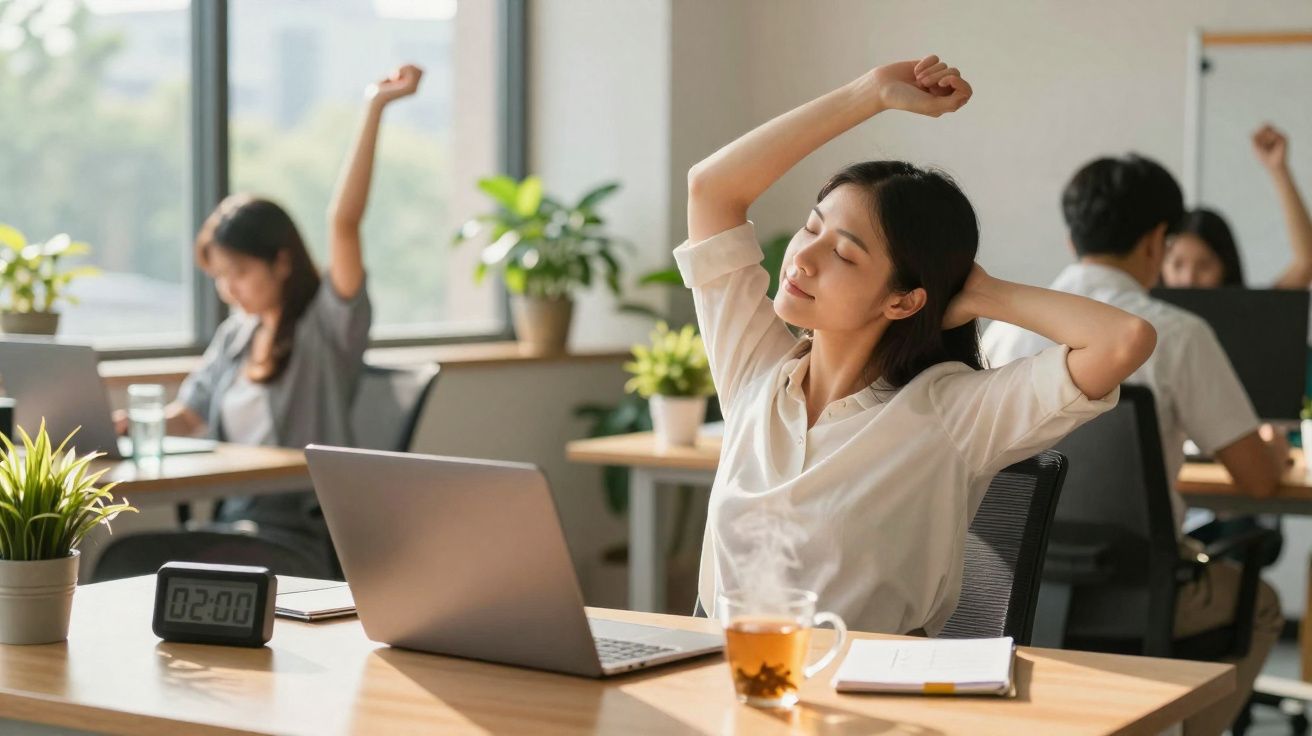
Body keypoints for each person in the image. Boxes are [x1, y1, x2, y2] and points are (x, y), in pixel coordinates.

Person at [681, 54, 1155, 640]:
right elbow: (711, 190)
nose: (802, 257)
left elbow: (1123, 339)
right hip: (728, 685)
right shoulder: (755, 373)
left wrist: (982, 291)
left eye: (845, 254)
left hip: (869, 702)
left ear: (904, 300)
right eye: (811, 227)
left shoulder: (951, 413)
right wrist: (869, 93)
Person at [982, 153, 1284, 736]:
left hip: (1012, 590)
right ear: (1156, 240)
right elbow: (1258, 482)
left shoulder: (1006, 332)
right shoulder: (1177, 334)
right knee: (1263, 603)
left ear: (1072, 237)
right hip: (1138, 592)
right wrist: (1269, 445)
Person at [115, 64, 424, 547]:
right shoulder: (237, 334)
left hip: (296, 533)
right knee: (125, 552)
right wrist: (126, 424)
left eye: (238, 273)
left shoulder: (328, 325)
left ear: (281, 261)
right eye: (219, 277)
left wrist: (373, 106)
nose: (228, 289)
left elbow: (343, 221)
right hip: (233, 521)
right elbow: (190, 415)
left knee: (136, 557)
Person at [1162, 124, 1312, 290]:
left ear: (1225, 268)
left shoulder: (1251, 312)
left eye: (1204, 266)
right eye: (1177, 265)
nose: (1188, 279)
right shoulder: (1142, 308)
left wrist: (1278, 170)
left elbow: (1307, 262)